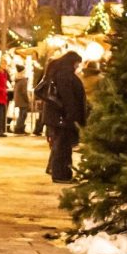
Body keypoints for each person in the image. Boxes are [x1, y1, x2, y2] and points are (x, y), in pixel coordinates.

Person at [38, 51, 87, 183]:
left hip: (58, 117)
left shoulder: (58, 73)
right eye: (77, 63)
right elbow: (68, 98)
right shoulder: (64, 75)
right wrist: (71, 115)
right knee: (62, 147)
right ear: (72, 62)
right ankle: (61, 175)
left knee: (61, 145)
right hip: (62, 117)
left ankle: (61, 172)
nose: (78, 66)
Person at [12, 63, 31, 134]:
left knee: (21, 114)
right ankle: (19, 128)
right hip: (23, 100)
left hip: (18, 99)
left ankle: (19, 128)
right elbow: (24, 92)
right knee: (23, 115)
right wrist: (28, 100)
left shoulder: (17, 79)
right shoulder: (23, 80)